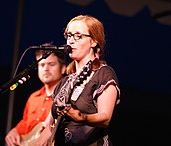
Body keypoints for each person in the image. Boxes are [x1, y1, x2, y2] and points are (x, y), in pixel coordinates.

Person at [36, 15, 120, 146]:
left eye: (78, 36)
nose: (70, 41)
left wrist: (81, 117)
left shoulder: (104, 74)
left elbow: (105, 117)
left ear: (93, 41)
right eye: (69, 36)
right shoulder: (64, 82)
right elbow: (49, 126)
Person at [5, 48, 67, 146]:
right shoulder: (33, 97)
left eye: (51, 64)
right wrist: (15, 131)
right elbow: (26, 122)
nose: (46, 68)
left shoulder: (67, 96)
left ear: (63, 68)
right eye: (42, 65)